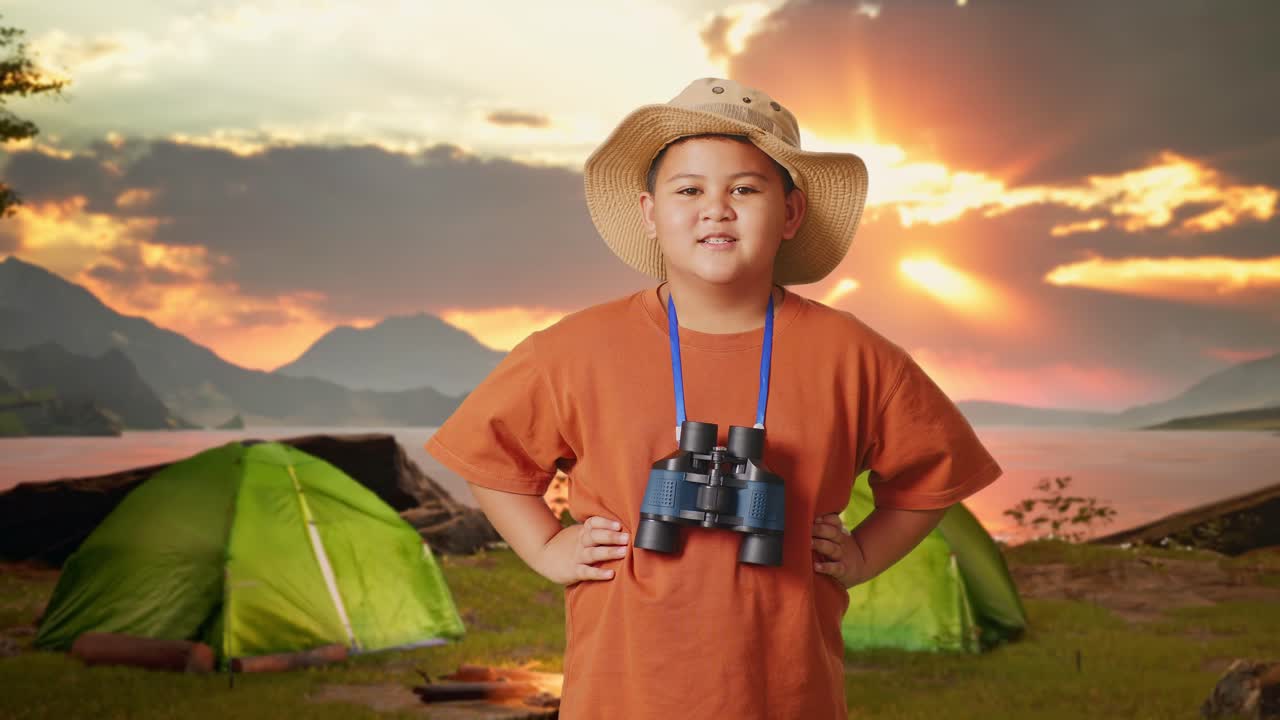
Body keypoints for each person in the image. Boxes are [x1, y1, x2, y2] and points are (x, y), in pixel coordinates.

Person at [424, 77, 1003, 719]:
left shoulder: (855, 356)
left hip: (785, 691)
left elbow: (934, 473)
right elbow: (488, 454)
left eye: (745, 189)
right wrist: (545, 547)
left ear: (791, 214)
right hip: (626, 691)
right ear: (650, 213)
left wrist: (863, 553)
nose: (716, 208)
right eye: (689, 189)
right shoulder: (573, 349)